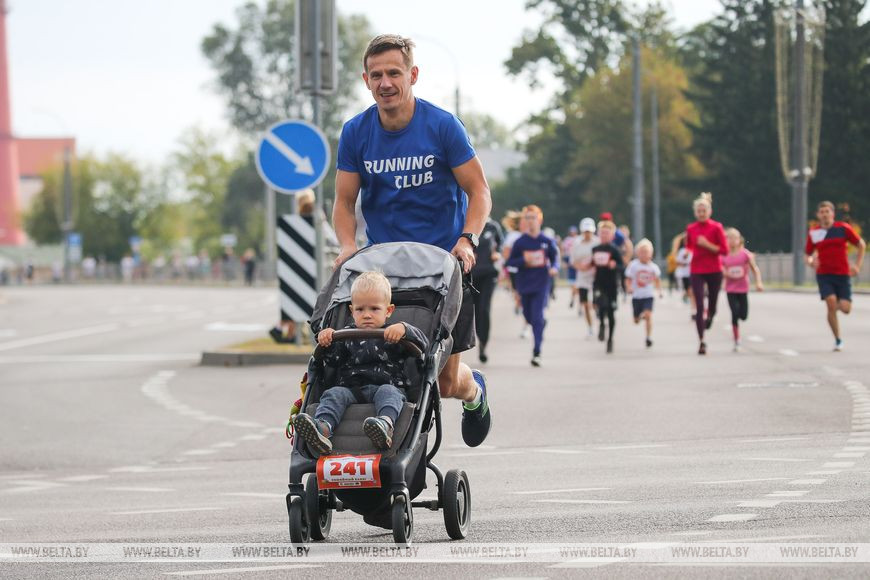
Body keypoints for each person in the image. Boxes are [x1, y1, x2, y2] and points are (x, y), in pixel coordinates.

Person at [332, 34, 492, 447]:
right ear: (365, 80)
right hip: (384, 271)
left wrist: (467, 240)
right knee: (387, 368)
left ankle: (474, 391)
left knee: (444, 382)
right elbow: (345, 201)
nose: (385, 82)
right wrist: (348, 245)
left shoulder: (442, 126)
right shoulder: (356, 132)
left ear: (412, 75)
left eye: (394, 73)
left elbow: (479, 192)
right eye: (377, 74)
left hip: (444, 269)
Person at [294, 272, 429, 454]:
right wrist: (327, 341)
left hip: (387, 385)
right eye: (360, 310)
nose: (367, 315)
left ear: (388, 311)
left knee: (390, 394)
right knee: (333, 394)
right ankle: (323, 428)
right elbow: (333, 361)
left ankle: (385, 425)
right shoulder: (346, 335)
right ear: (352, 311)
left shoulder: (394, 333)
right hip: (351, 390)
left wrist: (406, 330)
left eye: (374, 309)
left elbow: (423, 345)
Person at [805, 201, 866, 351]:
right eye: (822, 212)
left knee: (846, 309)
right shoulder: (814, 232)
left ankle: (836, 306)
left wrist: (857, 265)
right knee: (831, 302)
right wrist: (811, 262)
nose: (825, 214)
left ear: (832, 213)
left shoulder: (843, 229)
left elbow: (861, 245)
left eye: (827, 211)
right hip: (824, 275)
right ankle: (838, 339)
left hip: (842, 274)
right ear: (818, 215)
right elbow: (807, 254)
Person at [506, 205, 559, 366]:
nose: (530, 221)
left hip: (541, 284)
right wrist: (524, 261)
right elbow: (509, 262)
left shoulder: (547, 241)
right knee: (529, 317)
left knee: (536, 317)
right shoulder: (520, 242)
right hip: (524, 284)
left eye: (533, 218)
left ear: (540, 219)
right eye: (527, 218)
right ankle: (540, 322)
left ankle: (537, 352)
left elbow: (555, 259)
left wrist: (554, 269)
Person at [686, 192, 728, 355]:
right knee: (699, 306)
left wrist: (707, 244)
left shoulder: (716, 227)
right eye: (699, 211)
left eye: (704, 211)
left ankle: (710, 316)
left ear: (709, 211)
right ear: (695, 212)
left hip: (714, 269)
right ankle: (702, 341)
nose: (701, 214)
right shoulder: (691, 228)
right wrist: (686, 253)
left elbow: (723, 250)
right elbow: (689, 247)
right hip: (697, 269)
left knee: (712, 305)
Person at [722, 227, 763, 352]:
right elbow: (720, 268)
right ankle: (737, 340)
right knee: (734, 314)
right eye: (729, 238)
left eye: (735, 237)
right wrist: (725, 273)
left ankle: (739, 321)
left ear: (739, 240)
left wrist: (758, 283)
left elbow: (755, 270)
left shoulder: (745, 254)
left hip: (743, 288)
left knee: (743, 316)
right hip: (730, 289)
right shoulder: (723, 255)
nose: (733, 240)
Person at [471, 217, 504, 363]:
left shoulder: (492, 226)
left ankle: (483, 345)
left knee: (484, 309)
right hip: (470, 274)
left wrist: (498, 254)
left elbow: (501, 246)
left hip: (489, 274)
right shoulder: (467, 223)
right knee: (473, 311)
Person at [624, 238, 663, 348]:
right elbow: (628, 279)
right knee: (636, 321)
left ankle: (648, 337)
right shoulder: (633, 265)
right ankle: (639, 316)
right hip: (636, 296)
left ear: (651, 253)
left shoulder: (653, 267)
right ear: (637, 253)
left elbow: (657, 280)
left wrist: (659, 291)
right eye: (642, 252)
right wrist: (629, 287)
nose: (644, 254)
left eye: (646, 252)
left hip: (648, 295)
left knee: (648, 315)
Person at [591, 220, 623, 354]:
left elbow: (622, 267)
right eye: (602, 233)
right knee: (600, 305)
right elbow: (591, 263)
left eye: (607, 233)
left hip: (611, 284)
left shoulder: (614, 250)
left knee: (610, 312)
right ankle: (602, 325)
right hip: (598, 283)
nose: (604, 235)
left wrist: (615, 265)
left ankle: (610, 339)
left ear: (612, 235)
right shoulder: (595, 249)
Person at [570, 217, 599, 338]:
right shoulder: (576, 244)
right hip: (582, 277)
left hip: (596, 276)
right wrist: (581, 267)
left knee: (596, 303)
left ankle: (600, 319)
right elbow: (573, 260)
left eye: (589, 231)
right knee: (585, 304)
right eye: (585, 231)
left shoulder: (597, 242)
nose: (587, 234)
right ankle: (590, 327)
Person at [673, 233, 693, 310]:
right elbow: (678, 262)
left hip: (693, 273)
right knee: (688, 290)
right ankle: (686, 295)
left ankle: (693, 308)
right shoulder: (681, 251)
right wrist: (685, 263)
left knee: (692, 290)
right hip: (684, 274)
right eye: (686, 240)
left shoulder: (693, 249)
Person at [561, 226, 579, 307]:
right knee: (573, 284)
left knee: (579, 284)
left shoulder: (579, 239)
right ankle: (573, 297)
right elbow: (563, 251)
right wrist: (564, 261)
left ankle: (576, 299)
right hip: (570, 262)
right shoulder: (567, 240)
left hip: (578, 262)